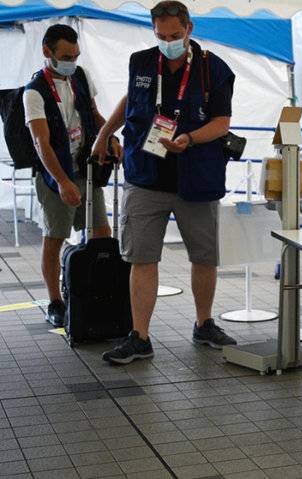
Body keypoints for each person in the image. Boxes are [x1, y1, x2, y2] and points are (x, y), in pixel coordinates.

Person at [92, 0, 237, 364]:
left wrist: (190, 138)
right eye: (161, 35)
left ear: (189, 29)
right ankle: (139, 337)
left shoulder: (214, 68)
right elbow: (130, 100)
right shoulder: (142, 62)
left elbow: (222, 123)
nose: (168, 42)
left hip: (196, 176)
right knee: (142, 257)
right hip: (145, 175)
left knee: (204, 257)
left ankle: (204, 323)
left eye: (175, 35)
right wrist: (104, 133)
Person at [25, 24, 122, 327]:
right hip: (55, 174)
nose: (72, 62)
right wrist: (63, 182)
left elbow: (93, 114)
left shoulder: (81, 76)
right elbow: (41, 143)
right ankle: (55, 302)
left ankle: (98, 293)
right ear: (47, 52)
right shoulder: (34, 91)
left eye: (76, 56)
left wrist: (110, 137)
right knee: (55, 237)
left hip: (86, 169)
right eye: (66, 57)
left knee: (101, 234)